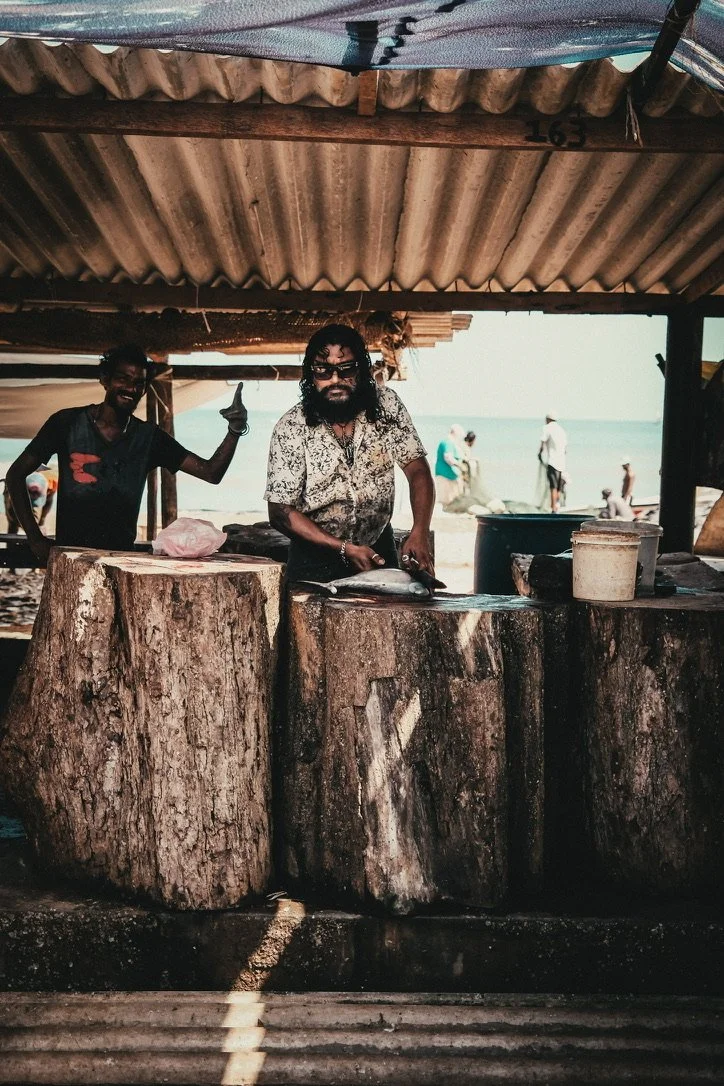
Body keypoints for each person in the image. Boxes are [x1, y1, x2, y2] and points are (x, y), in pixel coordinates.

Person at [5, 343, 249, 565]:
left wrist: (235, 430)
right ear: (105, 379)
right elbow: (16, 475)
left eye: (139, 383)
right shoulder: (66, 423)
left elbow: (210, 472)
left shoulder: (149, 438)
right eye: (123, 378)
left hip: (122, 563)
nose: (131, 388)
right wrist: (35, 537)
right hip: (70, 560)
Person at [265, 324, 435, 583]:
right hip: (314, 559)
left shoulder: (386, 405)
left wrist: (420, 531)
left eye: (346, 370)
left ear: (362, 370)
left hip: (378, 548)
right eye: (323, 371)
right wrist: (343, 548)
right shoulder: (291, 427)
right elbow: (279, 511)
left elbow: (417, 470)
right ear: (311, 376)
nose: (335, 380)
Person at [538, 412, 568, 513]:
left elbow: (543, 441)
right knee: (559, 486)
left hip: (553, 462)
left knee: (553, 486)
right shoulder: (562, 430)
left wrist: (539, 453)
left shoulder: (547, 428)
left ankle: (553, 508)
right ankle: (557, 506)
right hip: (562, 463)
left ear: (547, 419)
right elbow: (565, 450)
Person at [435, 424, 466, 507]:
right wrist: (459, 465)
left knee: (450, 500)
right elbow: (448, 458)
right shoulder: (447, 442)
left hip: (450, 475)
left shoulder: (450, 443)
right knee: (446, 500)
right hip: (445, 475)